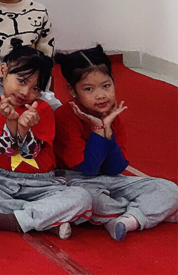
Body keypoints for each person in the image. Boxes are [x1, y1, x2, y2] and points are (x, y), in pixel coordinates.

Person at [0, 46, 92, 238]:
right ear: (3, 71)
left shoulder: (43, 110)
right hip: (3, 181)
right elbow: (5, 150)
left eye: (35, 88)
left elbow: (30, 153)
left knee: (82, 197)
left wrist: (24, 128)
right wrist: (12, 122)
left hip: (44, 185)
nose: (24, 91)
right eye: (21, 81)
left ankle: (12, 220)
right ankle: (45, 219)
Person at [54, 46, 178, 240]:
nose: (101, 95)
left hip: (109, 179)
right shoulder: (64, 117)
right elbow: (88, 168)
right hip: (74, 181)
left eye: (106, 86)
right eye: (89, 89)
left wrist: (108, 130)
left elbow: (115, 168)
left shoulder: (112, 116)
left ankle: (127, 219)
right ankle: (143, 212)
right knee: (89, 200)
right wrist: (97, 129)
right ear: (72, 90)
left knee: (168, 188)